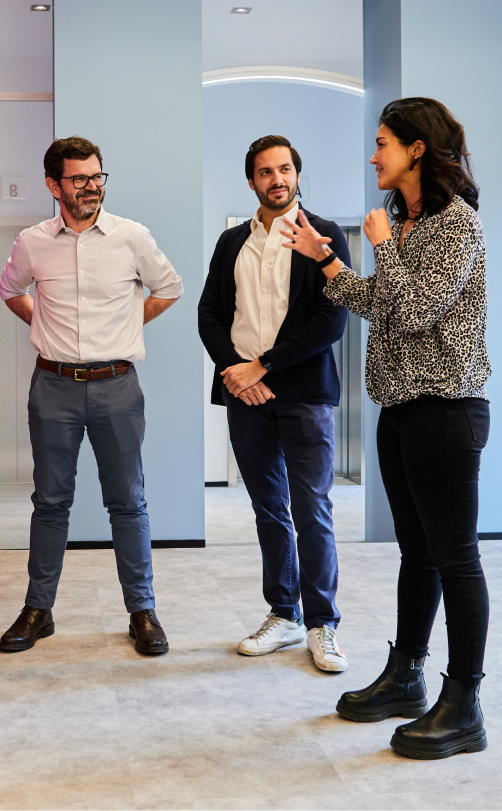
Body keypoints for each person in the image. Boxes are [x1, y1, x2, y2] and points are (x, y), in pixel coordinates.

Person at [281, 98, 491, 760]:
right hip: (400, 409)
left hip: (444, 410)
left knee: (454, 557)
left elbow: (415, 310)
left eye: (381, 143)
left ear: (415, 149)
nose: (373, 155)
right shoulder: (411, 223)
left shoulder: (454, 225)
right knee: (416, 554)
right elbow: (380, 303)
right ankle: (405, 676)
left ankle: (463, 703)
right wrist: (328, 263)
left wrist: (376, 244)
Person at [0, 136, 183, 656]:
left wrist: (129, 323)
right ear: (55, 185)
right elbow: (11, 289)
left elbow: (168, 287)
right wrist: (42, 323)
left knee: (128, 502)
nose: (92, 187)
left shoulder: (132, 237)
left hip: (118, 388)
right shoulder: (33, 241)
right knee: (50, 502)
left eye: (98, 177)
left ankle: (142, 612)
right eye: (80, 179)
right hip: (52, 387)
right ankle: (39, 610)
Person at [199, 135, 351, 672]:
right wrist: (237, 375)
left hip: (304, 394)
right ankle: (283, 615)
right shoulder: (230, 242)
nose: (277, 179)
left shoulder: (325, 236)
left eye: (285, 169)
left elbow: (332, 320)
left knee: (313, 509)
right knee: (269, 509)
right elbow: (210, 314)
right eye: (266, 172)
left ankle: (323, 624)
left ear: (297, 174)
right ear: (252, 181)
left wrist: (263, 364)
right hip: (246, 395)